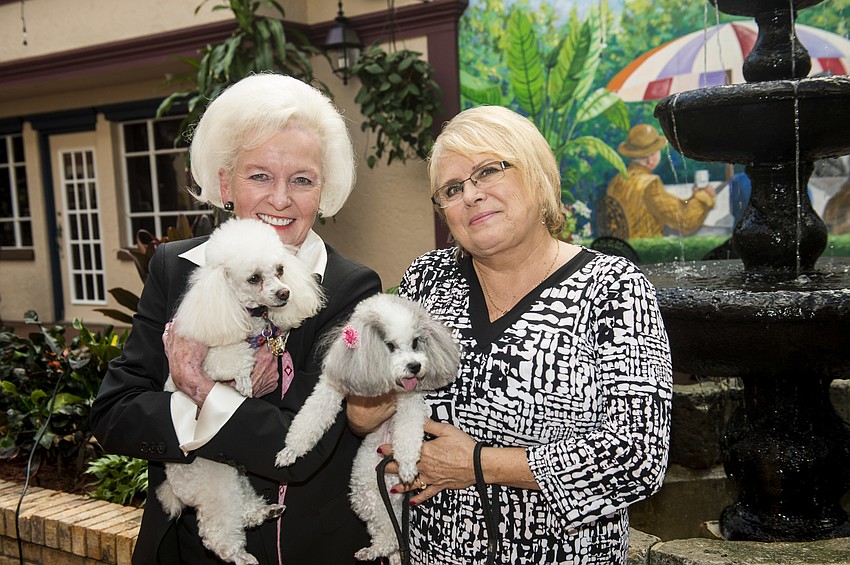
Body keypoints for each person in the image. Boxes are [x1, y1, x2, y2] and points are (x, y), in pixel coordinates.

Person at [348, 106, 673, 563]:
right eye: (453, 189)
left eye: (488, 171)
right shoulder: (427, 281)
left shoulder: (612, 287)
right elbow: (363, 413)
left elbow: (636, 459)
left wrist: (478, 465)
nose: (472, 196)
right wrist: (367, 384)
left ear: (537, 174)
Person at [90, 73, 382, 564]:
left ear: (322, 190)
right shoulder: (177, 269)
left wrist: (198, 389)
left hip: (299, 548)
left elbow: (301, 449)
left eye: (302, 180)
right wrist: (236, 410)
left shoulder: (350, 288)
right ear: (226, 183)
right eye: (260, 175)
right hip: (186, 549)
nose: (281, 198)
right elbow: (116, 412)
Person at [606, 123, 716, 238]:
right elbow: (684, 220)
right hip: (646, 248)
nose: (651, 159)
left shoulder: (616, 181)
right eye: (644, 156)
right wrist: (703, 197)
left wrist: (692, 198)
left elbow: (668, 207)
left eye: (653, 153)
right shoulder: (650, 183)